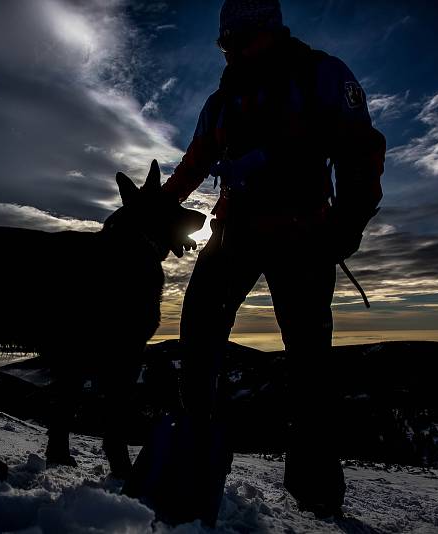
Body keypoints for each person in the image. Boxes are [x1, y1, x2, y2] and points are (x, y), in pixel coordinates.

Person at [161, 0, 386, 521]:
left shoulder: (321, 76)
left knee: (308, 359)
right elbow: (193, 165)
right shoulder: (221, 101)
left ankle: (315, 487)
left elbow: (361, 151)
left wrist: (347, 224)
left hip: (303, 235)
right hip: (234, 232)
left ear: (269, 30)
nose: (231, 51)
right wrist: (155, 208)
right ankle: (193, 445)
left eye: (240, 40)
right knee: (197, 333)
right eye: (225, 44)